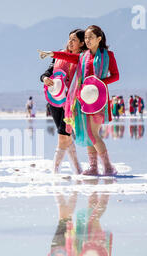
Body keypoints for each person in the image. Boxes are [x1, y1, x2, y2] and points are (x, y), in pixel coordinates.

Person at [38, 25, 120, 176]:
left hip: (97, 97)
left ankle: (108, 167)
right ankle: (93, 167)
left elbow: (115, 75)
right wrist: (52, 54)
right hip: (83, 99)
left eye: (90, 38)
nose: (88, 40)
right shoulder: (83, 56)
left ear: (99, 39)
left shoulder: (108, 55)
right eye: (86, 38)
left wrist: (99, 83)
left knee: (94, 133)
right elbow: (69, 57)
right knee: (87, 133)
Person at [40, 29, 87, 174]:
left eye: (74, 40)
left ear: (81, 43)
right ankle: (78, 169)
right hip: (55, 100)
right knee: (65, 136)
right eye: (69, 39)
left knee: (62, 135)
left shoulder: (84, 58)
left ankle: (55, 170)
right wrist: (45, 79)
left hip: (72, 103)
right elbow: (47, 73)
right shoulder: (60, 55)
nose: (70, 42)